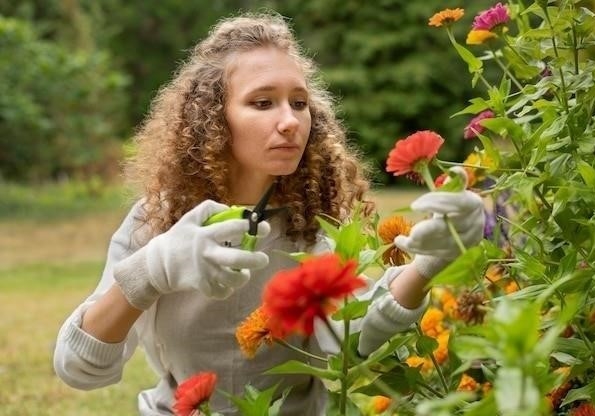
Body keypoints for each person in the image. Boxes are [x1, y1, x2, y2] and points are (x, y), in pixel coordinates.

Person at [53, 12, 485, 415]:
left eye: (298, 103)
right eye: (263, 103)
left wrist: (427, 267)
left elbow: (348, 342)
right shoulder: (158, 221)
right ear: (212, 119)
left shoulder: (311, 223)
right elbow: (78, 368)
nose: (291, 122)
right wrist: (150, 270)